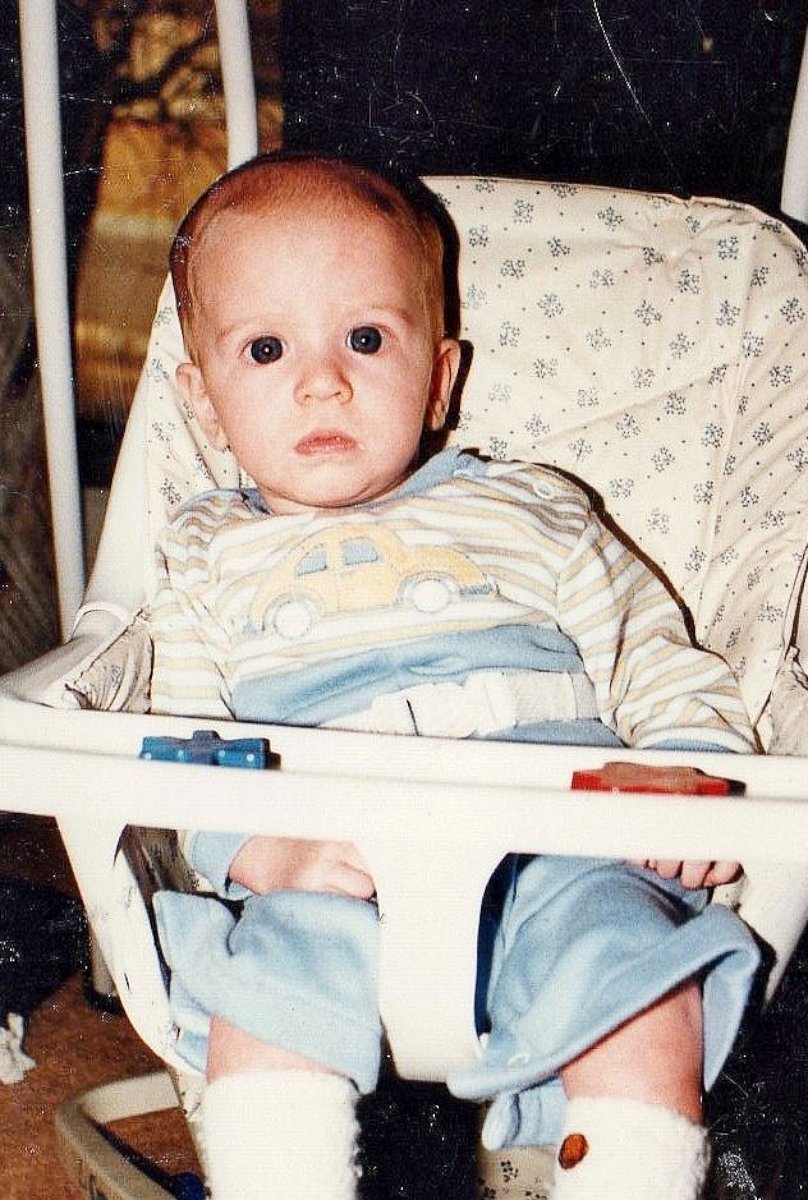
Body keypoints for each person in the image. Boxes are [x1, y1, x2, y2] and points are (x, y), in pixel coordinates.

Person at [74, 152, 761, 1200]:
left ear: (438, 377)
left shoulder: (534, 508)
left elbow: (652, 651)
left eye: (365, 338)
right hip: (329, 850)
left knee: (637, 977)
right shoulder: (206, 552)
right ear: (205, 405)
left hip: (557, 839)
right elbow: (183, 733)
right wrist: (256, 845)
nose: (321, 379)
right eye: (264, 348)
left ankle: (628, 1174)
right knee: (263, 986)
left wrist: (687, 773)